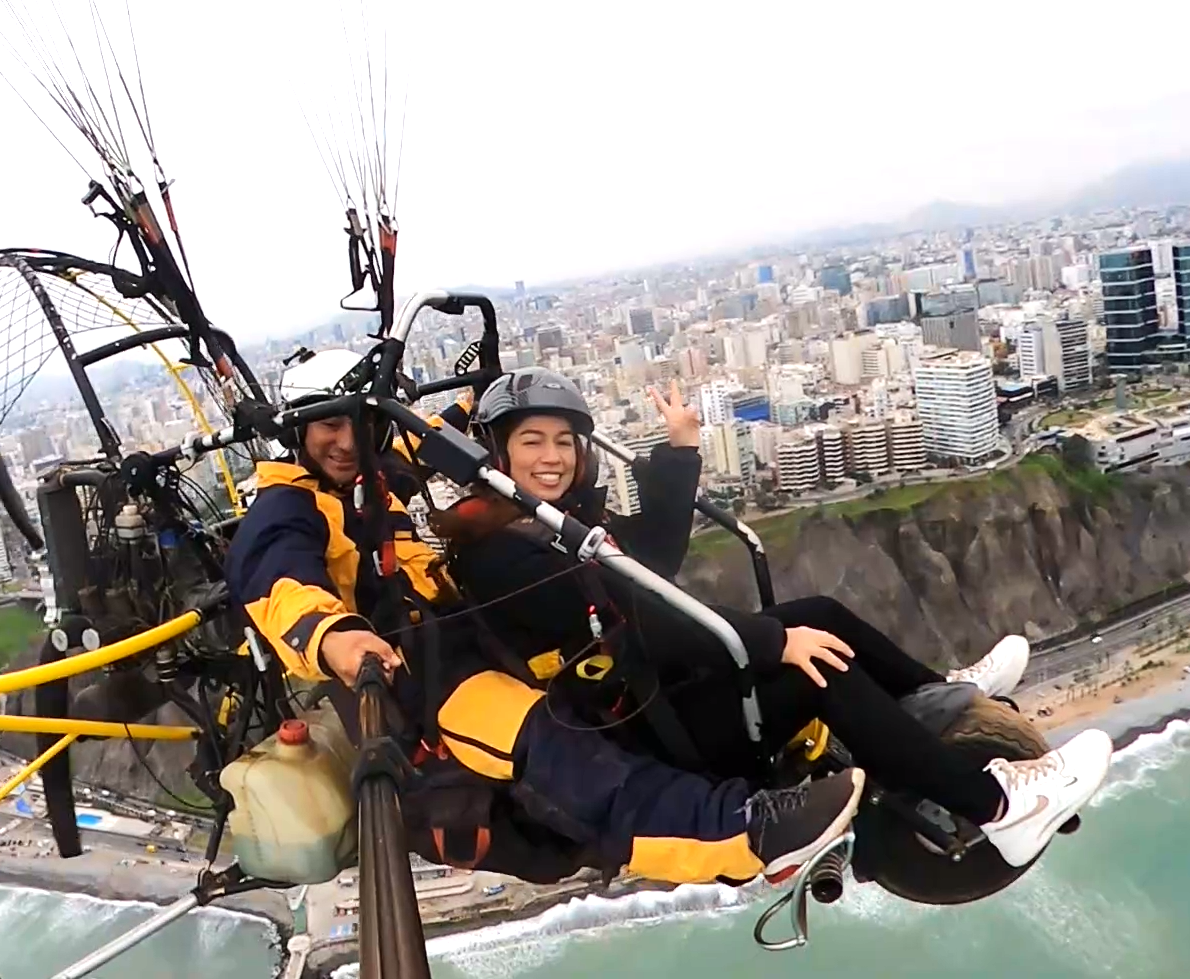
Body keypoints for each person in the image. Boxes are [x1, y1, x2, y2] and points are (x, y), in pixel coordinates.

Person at [224, 348, 866, 888]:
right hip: (423, 674)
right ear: (298, 435)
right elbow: (278, 583)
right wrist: (334, 637)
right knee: (550, 742)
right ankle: (740, 834)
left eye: (358, 425)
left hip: (468, 635)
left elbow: (421, 446)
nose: (346, 442)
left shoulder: (369, 479)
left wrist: (479, 394)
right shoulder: (287, 507)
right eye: (328, 428)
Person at [431, 367, 1113, 869]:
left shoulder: (549, 523)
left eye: (562, 442)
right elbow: (644, 618)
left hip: (651, 692)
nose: (551, 458)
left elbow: (651, 560)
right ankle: (997, 807)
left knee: (817, 615)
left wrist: (681, 449)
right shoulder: (498, 555)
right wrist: (771, 643)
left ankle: (938, 694)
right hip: (645, 731)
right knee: (814, 666)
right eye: (531, 443)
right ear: (498, 453)